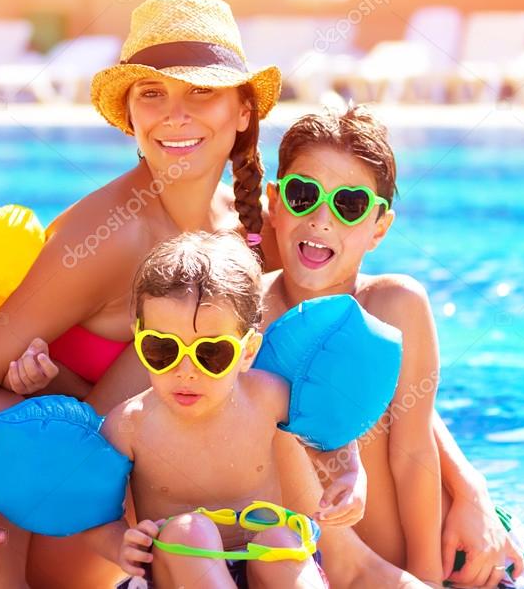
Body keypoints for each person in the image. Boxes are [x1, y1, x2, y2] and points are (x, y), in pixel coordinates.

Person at [0, 0, 422, 588]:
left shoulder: (245, 229)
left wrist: (469, 491)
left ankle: (349, 559)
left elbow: (330, 372)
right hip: (97, 532)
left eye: (201, 92)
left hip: (218, 521)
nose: (175, 115)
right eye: (153, 94)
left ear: (244, 110)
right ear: (130, 114)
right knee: (184, 330)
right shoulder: (108, 237)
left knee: (307, 340)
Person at [261, 105, 524, 588]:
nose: (321, 219)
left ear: (379, 226)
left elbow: (413, 453)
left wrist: (423, 577)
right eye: (303, 195)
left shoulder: (395, 304)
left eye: (350, 205)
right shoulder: (246, 311)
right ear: (274, 202)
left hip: (453, 563)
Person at [98, 230, 351, 588]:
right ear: (139, 338)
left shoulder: (267, 398)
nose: (185, 370)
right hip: (176, 577)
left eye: (211, 354)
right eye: (163, 350)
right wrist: (119, 544)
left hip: (261, 569)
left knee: (279, 539)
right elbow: (95, 512)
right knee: (189, 532)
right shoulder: (128, 426)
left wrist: (348, 474)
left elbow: (328, 428)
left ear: (248, 352)